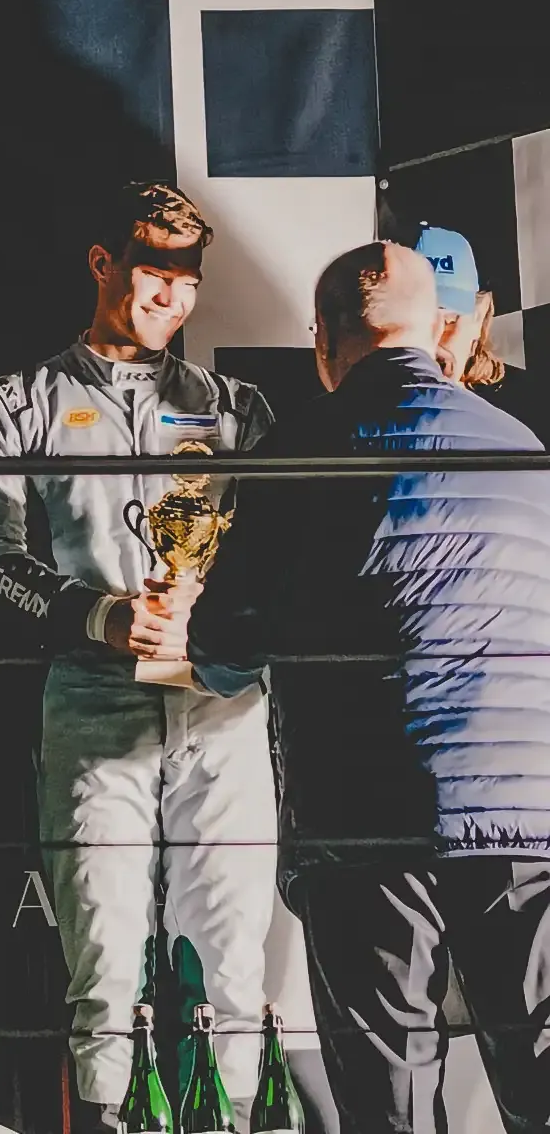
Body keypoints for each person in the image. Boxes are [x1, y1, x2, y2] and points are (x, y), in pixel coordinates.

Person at [189, 240, 550, 1133]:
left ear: (323, 340)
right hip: (527, 816)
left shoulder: (296, 453)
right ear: (440, 329)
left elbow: (223, 644)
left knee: (391, 1104)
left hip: (365, 823)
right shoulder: (521, 448)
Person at [0, 183, 276, 1128]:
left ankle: (231, 1116)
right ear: (102, 264)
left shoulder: (237, 409)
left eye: (188, 277)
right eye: (152, 270)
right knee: (103, 966)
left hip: (219, 703)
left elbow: (286, 558)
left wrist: (212, 627)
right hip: (94, 700)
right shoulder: (17, 401)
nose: (172, 294)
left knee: (233, 961)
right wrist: (102, 617)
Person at [419, 221, 549, 439]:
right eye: (413, 324)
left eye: (450, 321)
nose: (430, 341)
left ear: (480, 315)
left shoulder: (527, 419)